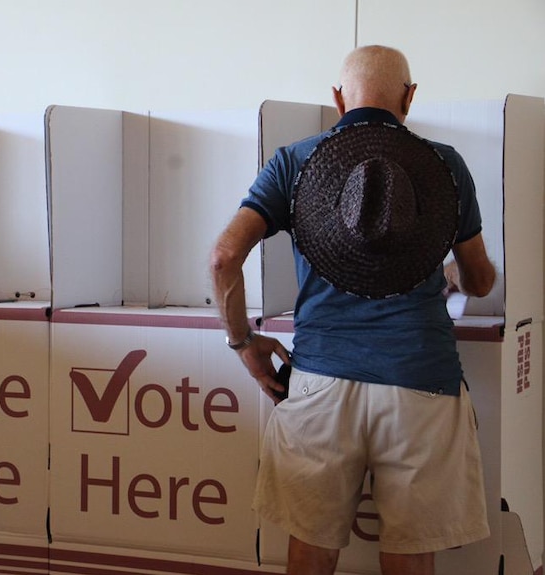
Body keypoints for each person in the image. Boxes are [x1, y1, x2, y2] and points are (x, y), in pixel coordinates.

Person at [210, 45, 496, 575]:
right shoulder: (445, 166)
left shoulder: (293, 162)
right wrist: (455, 273)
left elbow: (224, 256)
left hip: (319, 383)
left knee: (311, 554)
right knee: (411, 557)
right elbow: (479, 278)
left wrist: (244, 345)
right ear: (410, 98)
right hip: (422, 384)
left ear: (338, 99)